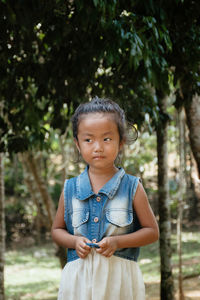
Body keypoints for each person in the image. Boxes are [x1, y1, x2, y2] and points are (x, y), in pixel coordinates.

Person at [51, 96, 159, 300]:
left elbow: (152, 232)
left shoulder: (132, 187)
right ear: (77, 144)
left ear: (121, 143)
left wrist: (118, 242)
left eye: (107, 139)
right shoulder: (70, 188)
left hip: (120, 282)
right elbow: (57, 230)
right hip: (79, 282)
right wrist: (74, 241)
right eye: (88, 139)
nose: (98, 147)